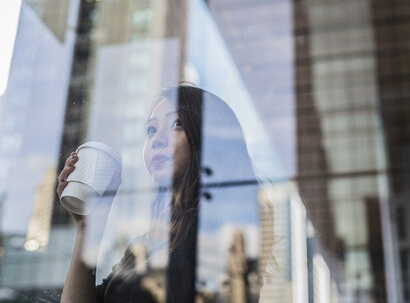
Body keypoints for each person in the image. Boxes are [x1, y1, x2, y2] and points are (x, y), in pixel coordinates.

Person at [56, 84, 262, 303]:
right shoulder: (144, 247)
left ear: (209, 140)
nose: (157, 139)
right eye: (151, 130)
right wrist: (88, 228)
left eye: (176, 124)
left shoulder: (223, 238)